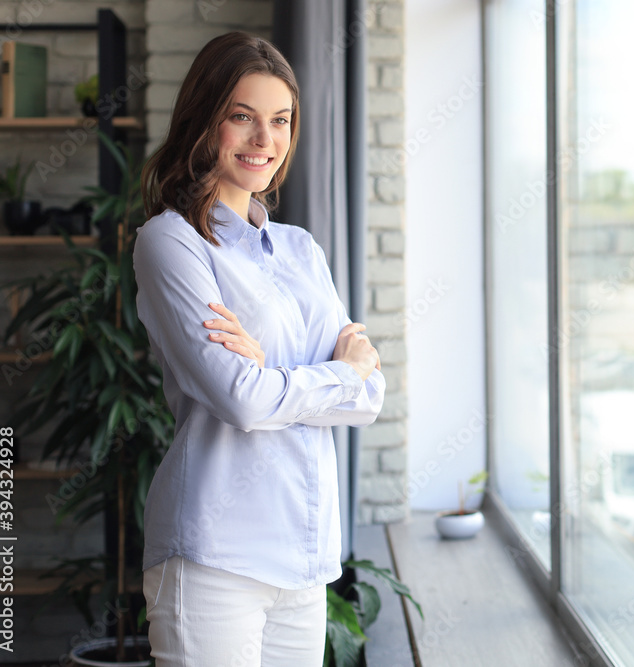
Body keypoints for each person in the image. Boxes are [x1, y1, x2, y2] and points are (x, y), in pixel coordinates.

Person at [133, 32, 384, 666]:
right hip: (215, 556)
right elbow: (240, 401)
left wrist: (276, 373)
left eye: (280, 121)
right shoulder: (172, 244)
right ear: (205, 120)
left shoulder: (303, 250)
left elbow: (371, 395)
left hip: (304, 562)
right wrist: (331, 374)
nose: (263, 140)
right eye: (242, 117)